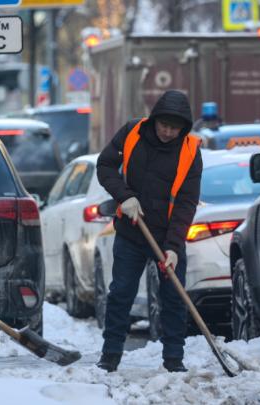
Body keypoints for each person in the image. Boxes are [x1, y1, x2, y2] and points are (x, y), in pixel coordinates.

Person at [95, 90, 202, 373]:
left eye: (175, 127)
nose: (168, 132)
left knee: (173, 297)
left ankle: (174, 359)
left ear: (184, 128)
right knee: (121, 293)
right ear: (154, 120)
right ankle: (110, 355)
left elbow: (186, 202)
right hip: (132, 232)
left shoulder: (191, 150)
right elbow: (105, 165)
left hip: (167, 236)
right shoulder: (132, 132)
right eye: (163, 125)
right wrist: (124, 196)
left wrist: (174, 246)